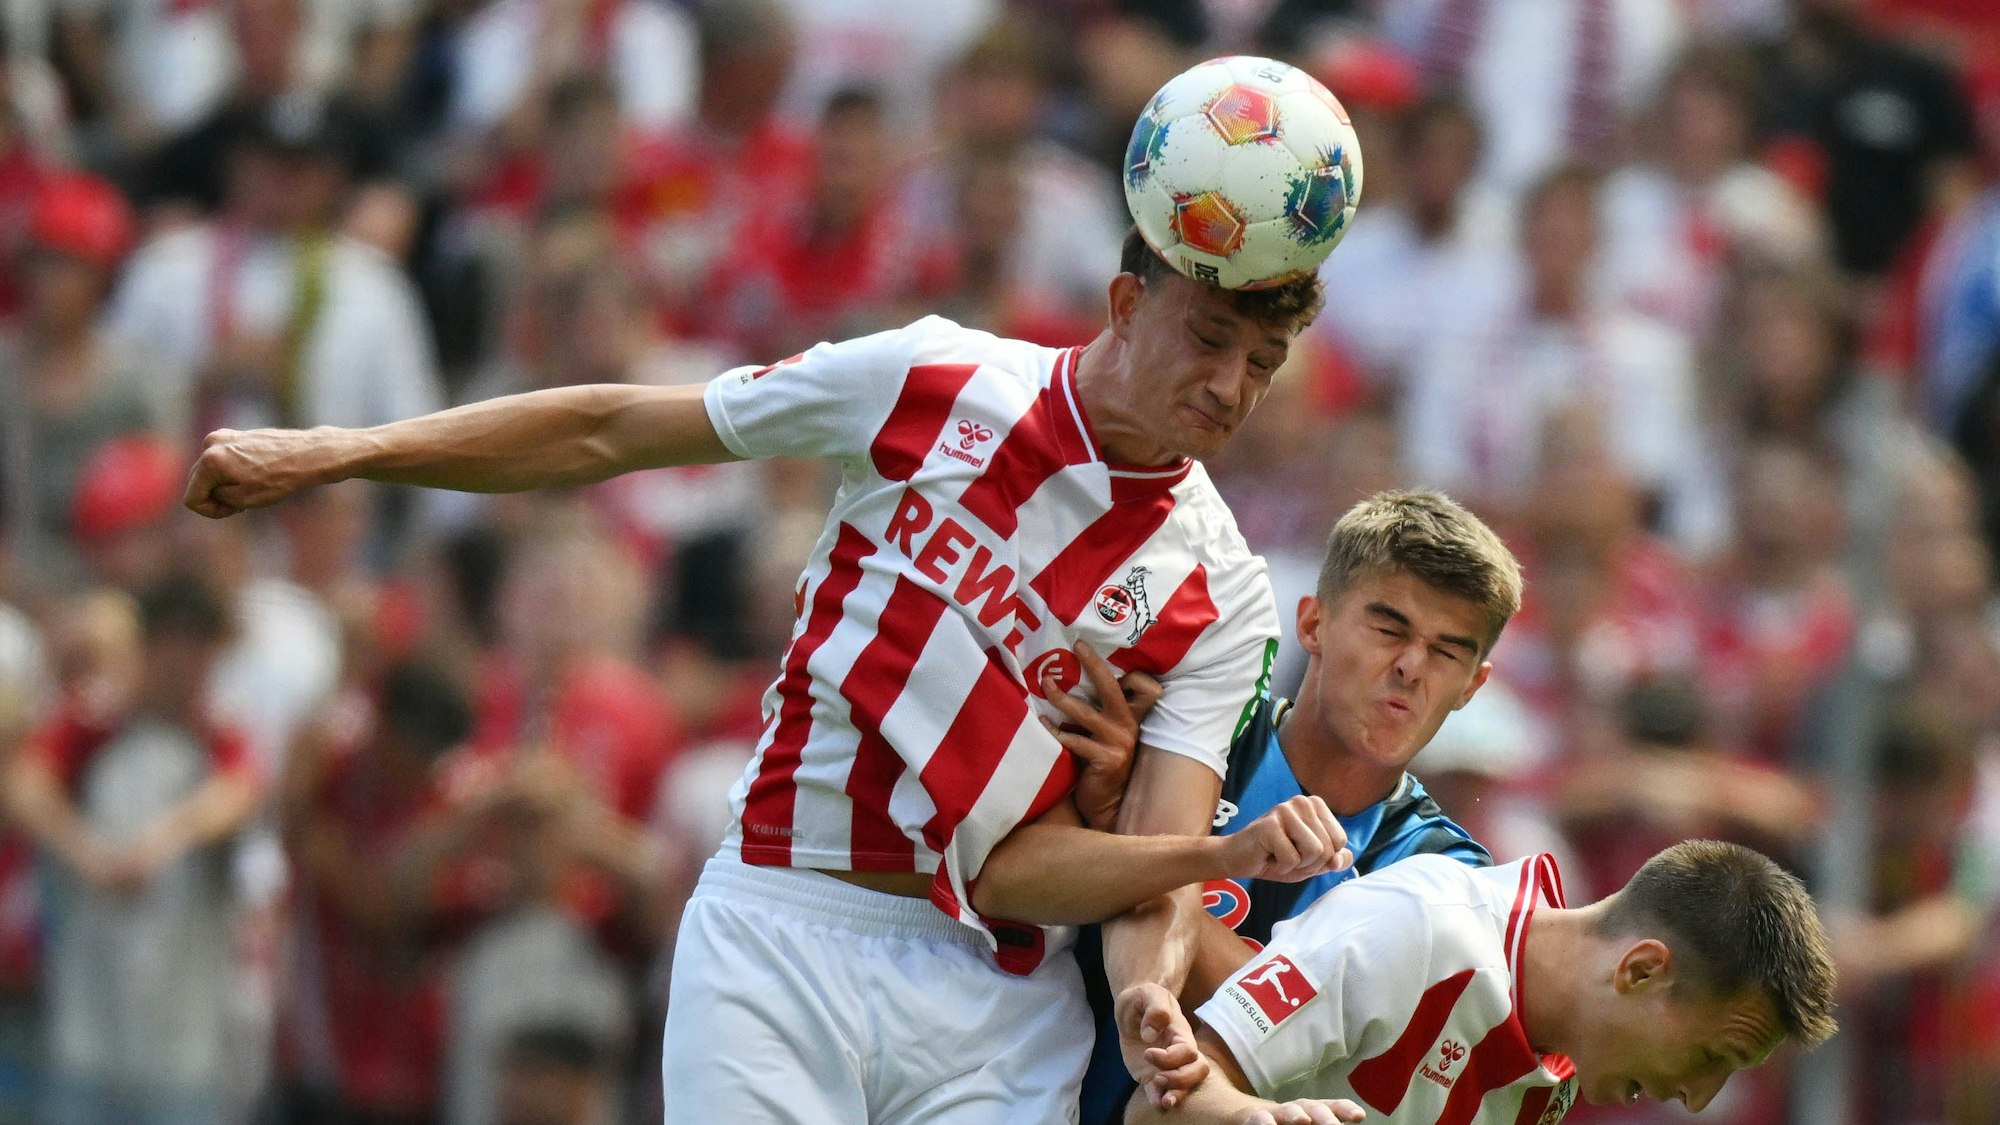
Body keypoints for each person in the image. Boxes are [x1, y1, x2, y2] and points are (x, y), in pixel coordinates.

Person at [182, 227, 1350, 1121]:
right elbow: (609, 429)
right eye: (1209, 340)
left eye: (1263, 362)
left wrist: (1147, 988)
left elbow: (1153, 873)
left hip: (1002, 1001)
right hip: (781, 928)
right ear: (1126, 301)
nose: (1232, 389)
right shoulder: (931, 379)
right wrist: (343, 452)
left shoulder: (1225, 592)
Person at [1069, 489, 1525, 1123]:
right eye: (1389, 628)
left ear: (1473, 686)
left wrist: (1131, 847)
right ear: (1312, 623)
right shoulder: (1189, 728)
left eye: (1448, 652)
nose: (1411, 666)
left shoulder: (1447, 874)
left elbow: (1318, 1040)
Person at [1118, 840, 1838, 1125]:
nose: (1697, 1097)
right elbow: (1152, 1113)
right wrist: (1245, 1119)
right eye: (1714, 1055)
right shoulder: (1420, 926)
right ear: (1641, 969)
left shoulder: (1553, 1077)